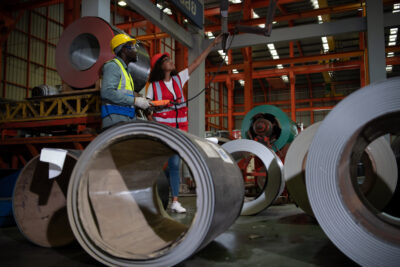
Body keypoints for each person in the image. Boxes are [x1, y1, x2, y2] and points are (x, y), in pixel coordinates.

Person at [146, 34, 222, 213]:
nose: (171, 62)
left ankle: (174, 201)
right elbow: (148, 109)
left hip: (180, 132)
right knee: (161, 164)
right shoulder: (153, 87)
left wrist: (212, 45)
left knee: (174, 164)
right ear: (160, 66)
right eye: (167, 60)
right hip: (163, 132)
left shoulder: (179, 79)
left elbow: (196, 63)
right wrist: (155, 125)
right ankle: (156, 193)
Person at [100, 33, 152, 129]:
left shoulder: (125, 71)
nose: (136, 51)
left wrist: (143, 103)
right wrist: (135, 101)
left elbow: (125, 95)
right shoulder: (113, 66)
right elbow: (107, 92)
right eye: (133, 47)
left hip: (125, 122)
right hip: (115, 122)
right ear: (124, 49)